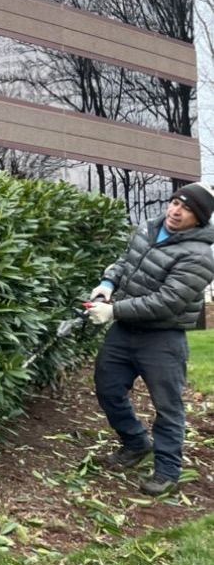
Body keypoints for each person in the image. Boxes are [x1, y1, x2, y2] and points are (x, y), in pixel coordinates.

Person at [87, 182, 214, 496]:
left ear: (199, 218)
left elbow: (166, 301)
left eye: (186, 208)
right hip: (124, 331)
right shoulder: (148, 228)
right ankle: (135, 442)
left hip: (163, 339)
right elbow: (125, 262)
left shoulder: (199, 257)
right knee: (108, 389)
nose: (175, 211)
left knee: (167, 407)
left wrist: (113, 311)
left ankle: (167, 471)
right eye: (174, 202)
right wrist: (107, 284)